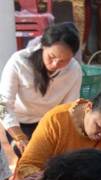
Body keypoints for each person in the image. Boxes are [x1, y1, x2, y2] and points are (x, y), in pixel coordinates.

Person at [0, 23, 81, 158]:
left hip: (50, 122)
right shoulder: (19, 62)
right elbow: (2, 104)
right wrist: (18, 136)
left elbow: (69, 108)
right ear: (43, 46)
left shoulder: (74, 70)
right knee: (28, 157)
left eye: (63, 60)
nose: (55, 64)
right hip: (19, 123)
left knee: (59, 159)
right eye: (51, 57)